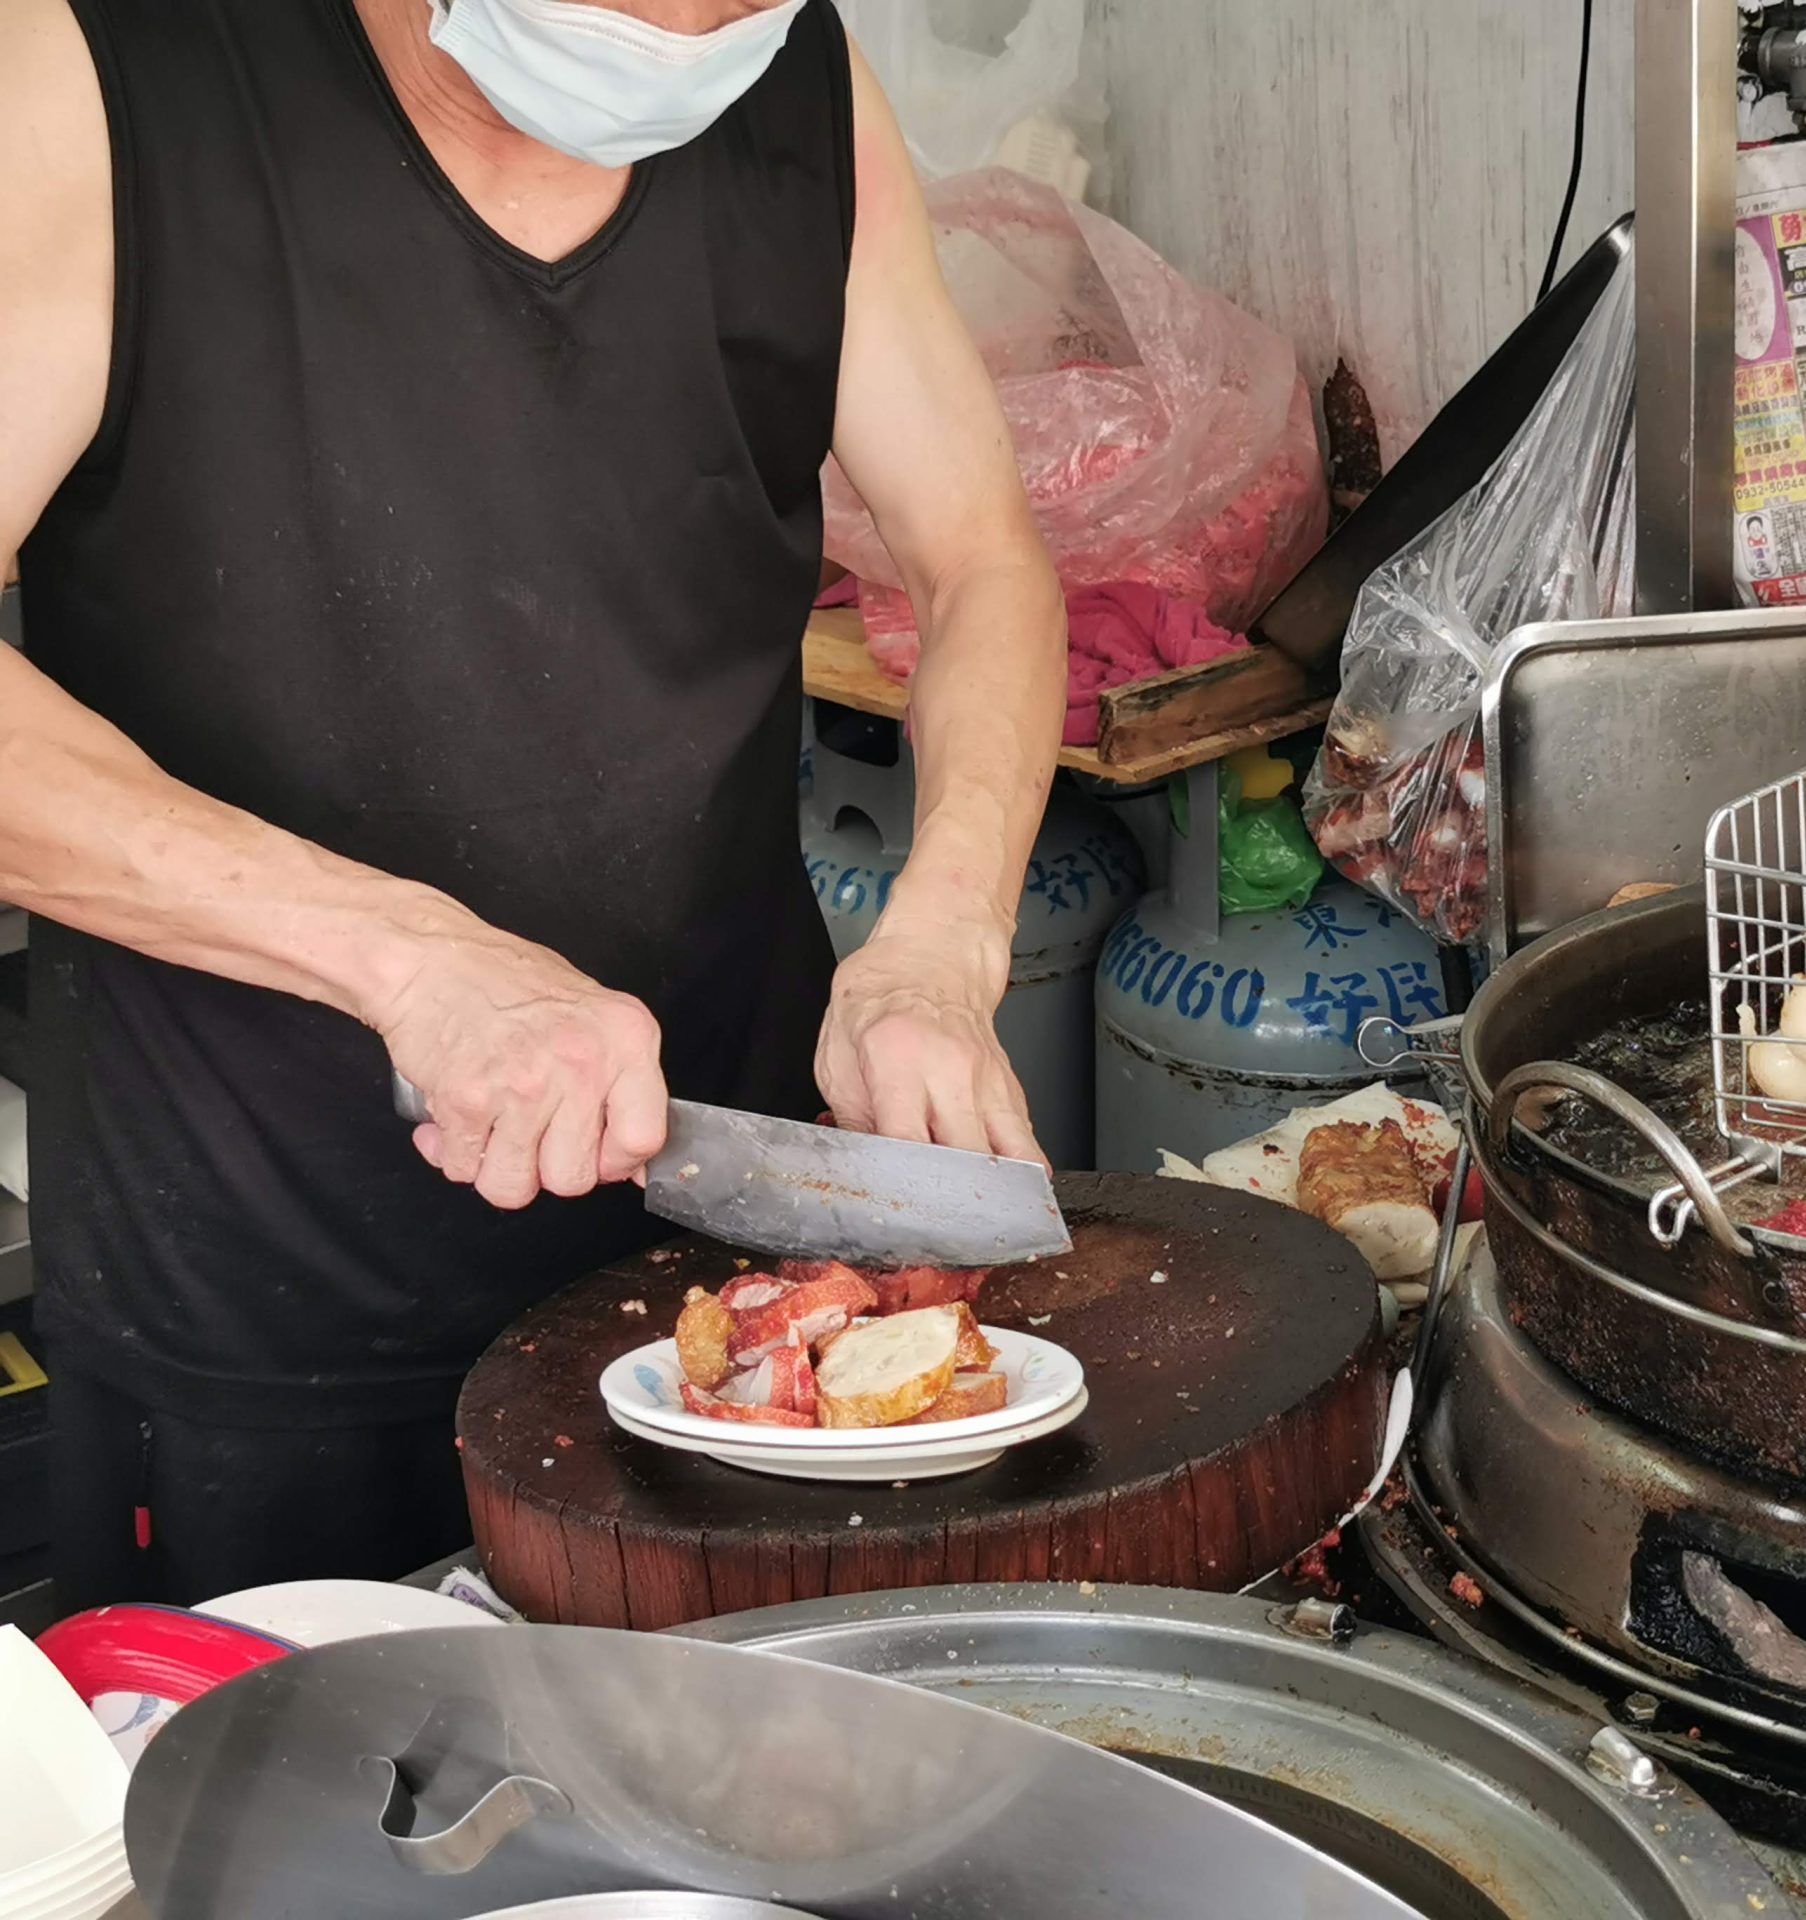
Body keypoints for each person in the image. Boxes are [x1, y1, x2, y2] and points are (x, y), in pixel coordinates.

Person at [0, 0, 1069, 1606]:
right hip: (263, 1288)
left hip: (712, 1256)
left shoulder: (799, 82)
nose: (684, 47)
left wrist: (945, 935)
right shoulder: (99, 71)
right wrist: (409, 960)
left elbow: (980, 550)